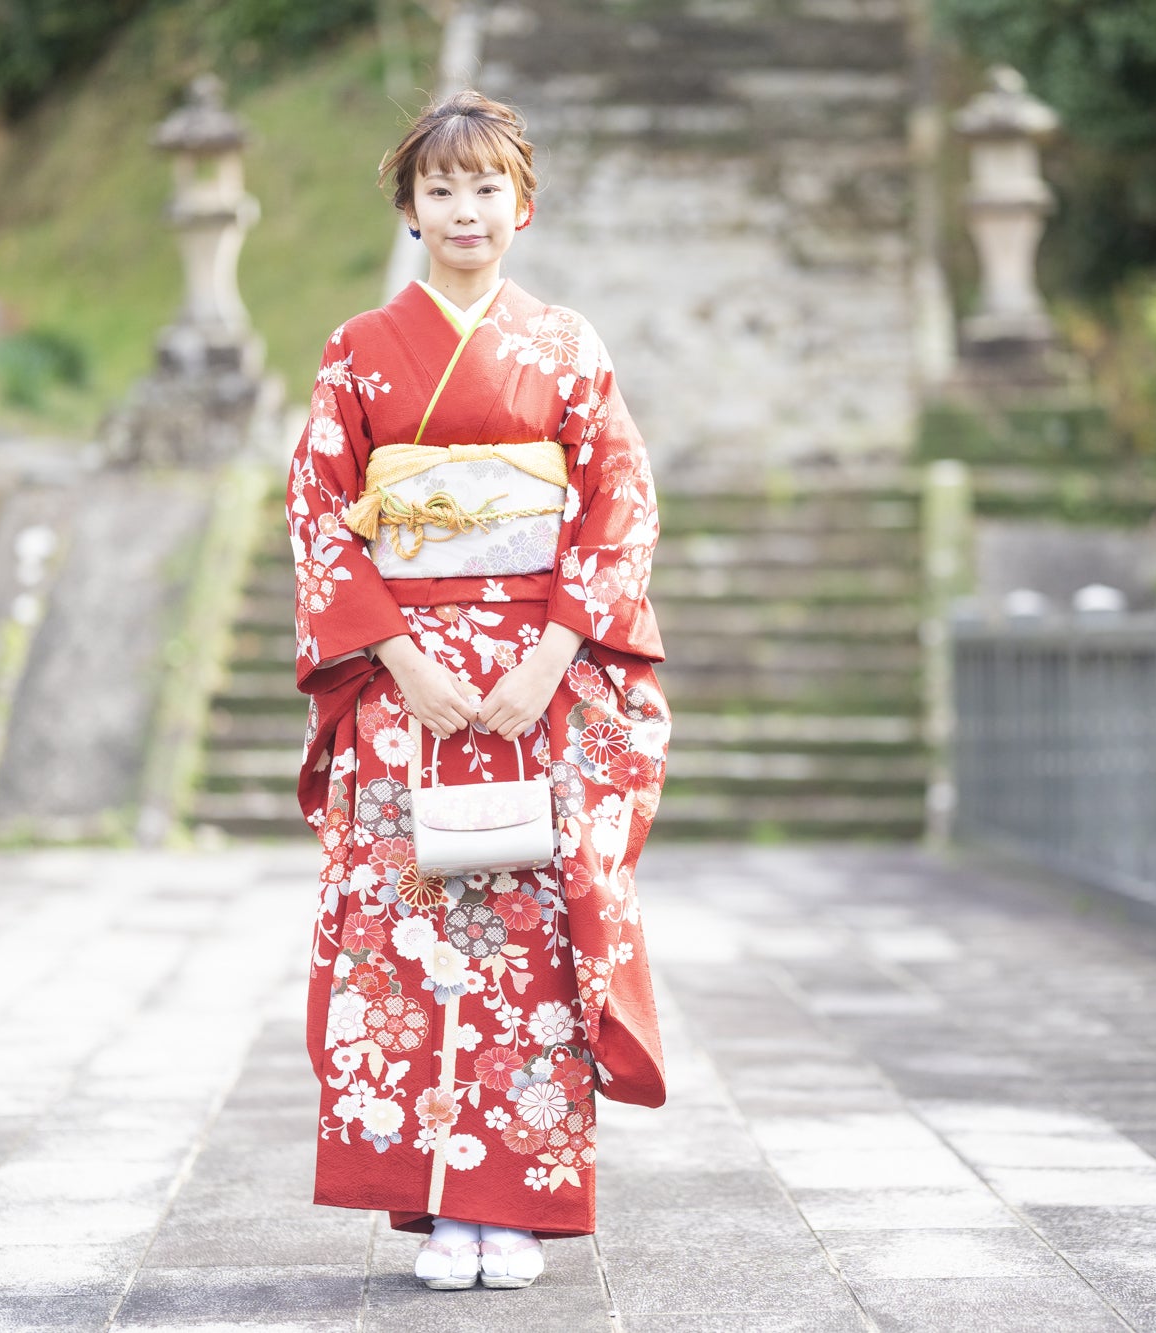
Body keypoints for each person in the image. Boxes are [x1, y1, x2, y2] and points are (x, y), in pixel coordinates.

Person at [287, 90, 671, 1292]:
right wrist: (401, 662)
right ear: (409, 209)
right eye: (440, 189)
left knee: (532, 941)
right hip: (403, 686)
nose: (465, 208)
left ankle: (519, 1209)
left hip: (536, 685)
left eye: (486, 186)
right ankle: (440, 1208)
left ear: (523, 205)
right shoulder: (358, 349)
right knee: (406, 934)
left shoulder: (566, 345)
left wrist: (550, 657)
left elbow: (618, 501)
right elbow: (319, 512)